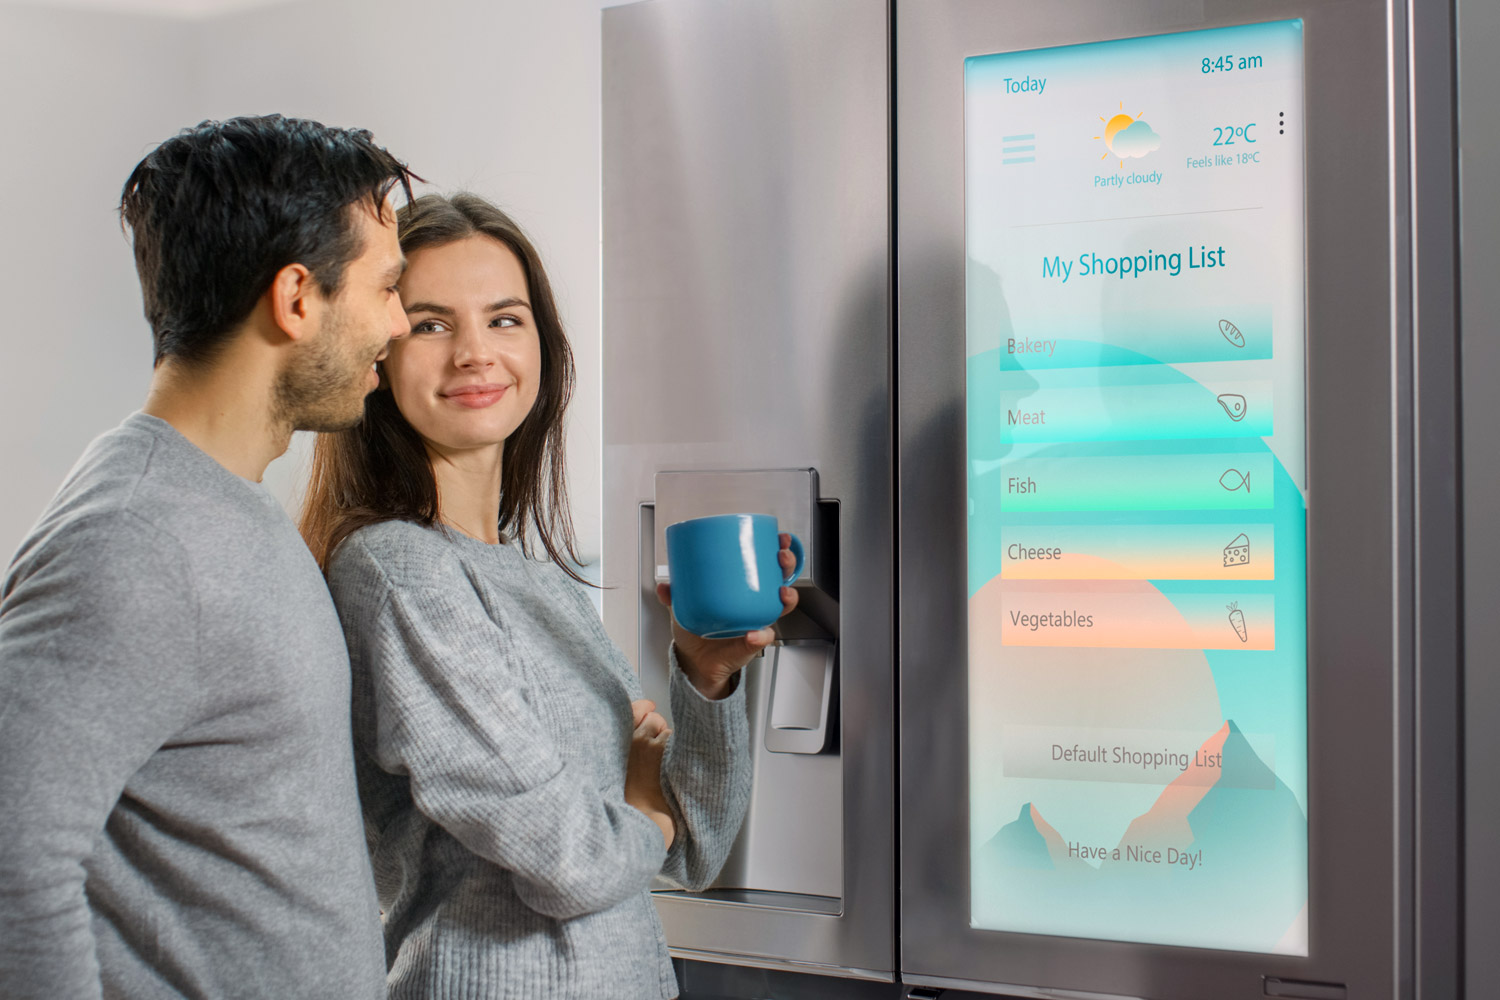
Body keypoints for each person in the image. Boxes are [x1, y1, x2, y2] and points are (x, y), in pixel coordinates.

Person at [299, 192, 792, 999]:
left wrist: (704, 678)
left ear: (542, 346)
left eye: (504, 319)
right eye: (430, 324)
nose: (473, 353)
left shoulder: (536, 582)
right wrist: (641, 803)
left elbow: (689, 851)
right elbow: (573, 861)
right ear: (379, 356)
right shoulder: (396, 570)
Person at [0, 115, 416, 999]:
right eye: (386, 288)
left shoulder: (222, 509)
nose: (401, 321)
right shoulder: (137, 540)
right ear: (297, 298)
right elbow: (10, 860)